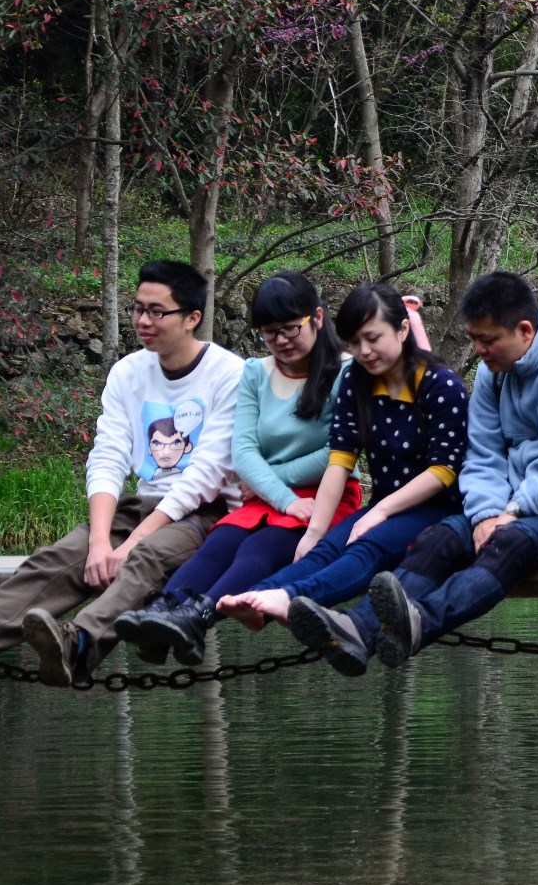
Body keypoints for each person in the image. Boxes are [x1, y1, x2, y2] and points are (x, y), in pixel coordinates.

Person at [0, 261, 244, 691]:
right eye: (137, 309)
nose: (143, 321)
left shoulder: (229, 375)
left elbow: (204, 475)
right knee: (58, 557)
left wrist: (128, 544)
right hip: (144, 507)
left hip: (207, 516)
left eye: (156, 311)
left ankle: (80, 644)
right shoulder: (129, 372)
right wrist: (97, 542)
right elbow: (108, 456)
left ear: (192, 318)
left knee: (144, 557)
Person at [285, 271, 538, 676]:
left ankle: (421, 623)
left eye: (488, 340)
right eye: (473, 339)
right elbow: (481, 456)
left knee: (509, 541)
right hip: (517, 506)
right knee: (441, 537)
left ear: (524, 330)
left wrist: (514, 511)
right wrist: (485, 513)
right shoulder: (492, 372)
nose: (478, 350)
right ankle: (357, 631)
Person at [113, 271, 360, 664]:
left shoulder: (346, 372)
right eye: (269, 332)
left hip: (323, 497)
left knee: (257, 550)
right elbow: (242, 450)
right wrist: (276, 494)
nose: (280, 340)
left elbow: (338, 452)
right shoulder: (255, 373)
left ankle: (198, 617)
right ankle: (163, 612)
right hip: (265, 496)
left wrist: (271, 486)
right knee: (220, 544)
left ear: (317, 317)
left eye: (290, 328)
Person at [215, 284, 466, 643]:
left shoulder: (441, 385)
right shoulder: (357, 381)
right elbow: (340, 459)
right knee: (329, 546)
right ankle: (259, 600)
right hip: (386, 504)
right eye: (354, 342)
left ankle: (286, 598)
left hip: (440, 510)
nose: (363, 351)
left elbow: (443, 471)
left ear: (403, 329)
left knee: (367, 545)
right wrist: (314, 533)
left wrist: (379, 512)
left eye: (373, 338)